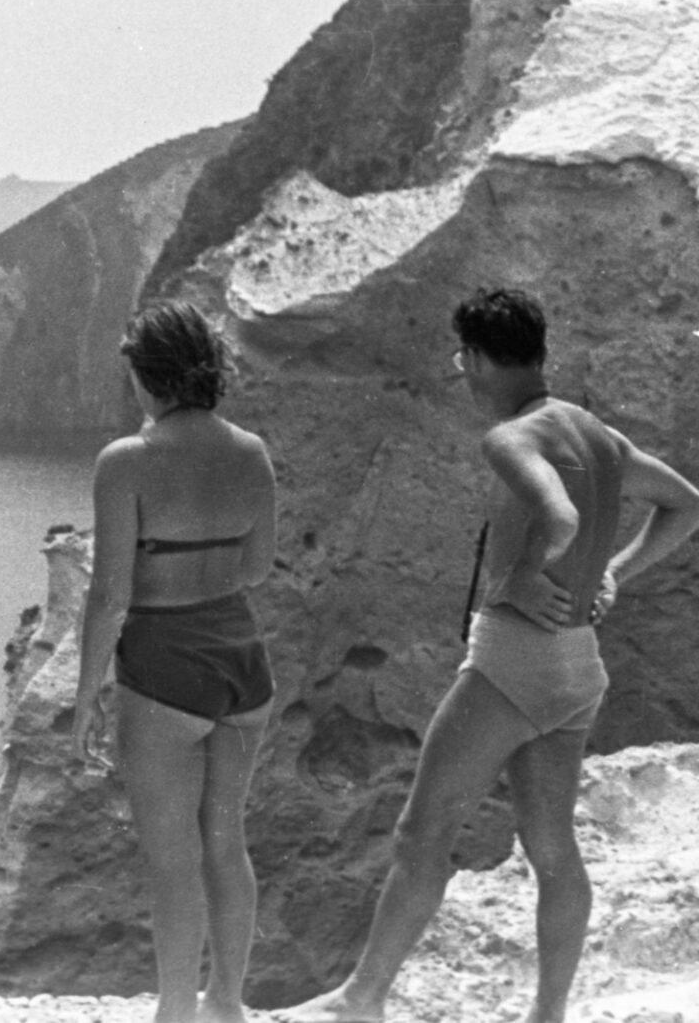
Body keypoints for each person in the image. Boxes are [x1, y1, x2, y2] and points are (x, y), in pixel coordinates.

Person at [281, 287, 699, 1023]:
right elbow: (686, 502)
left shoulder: (511, 436)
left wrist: (537, 566)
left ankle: (363, 998)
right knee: (551, 845)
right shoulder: (596, 433)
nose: (461, 370)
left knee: (421, 832)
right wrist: (611, 574)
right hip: (577, 667)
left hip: (511, 665)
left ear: (476, 358)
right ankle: (548, 1014)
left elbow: (557, 510)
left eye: (462, 357)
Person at [55, 300, 278, 1023]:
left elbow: (109, 596)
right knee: (227, 837)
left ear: (147, 377)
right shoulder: (253, 451)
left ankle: (177, 1011)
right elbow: (259, 566)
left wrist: (87, 694)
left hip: (163, 668)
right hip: (242, 659)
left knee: (172, 858)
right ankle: (229, 1004)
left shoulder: (127, 461)